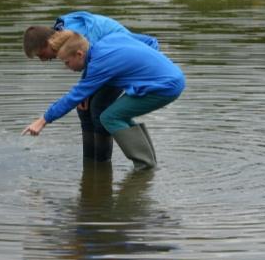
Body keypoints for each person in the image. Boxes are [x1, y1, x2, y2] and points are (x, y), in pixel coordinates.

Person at [21, 30, 185, 170]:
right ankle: (149, 162)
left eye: (67, 62)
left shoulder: (100, 64)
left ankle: (145, 166)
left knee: (109, 117)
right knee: (119, 115)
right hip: (169, 78)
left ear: (79, 54)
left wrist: (43, 120)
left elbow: (74, 97)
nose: (67, 68)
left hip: (164, 87)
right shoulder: (107, 41)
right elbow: (149, 41)